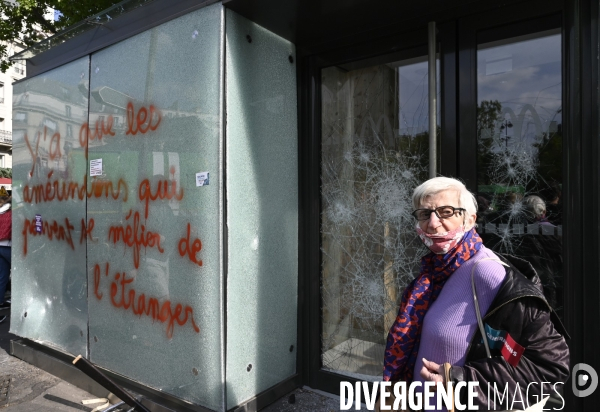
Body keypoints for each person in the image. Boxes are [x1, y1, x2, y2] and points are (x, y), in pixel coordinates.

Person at [382, 177, 569, 411]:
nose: (433, 223)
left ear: (470, 219)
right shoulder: (432, 274)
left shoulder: (490, 274)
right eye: (424, 214)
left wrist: (462, 381)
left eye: (446, 212)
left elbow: (549, 369)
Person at [0, 196, 11, 324]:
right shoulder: (15, 211)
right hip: (9, 245)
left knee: (2, 276)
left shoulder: (1, 211)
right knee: (22, 274)